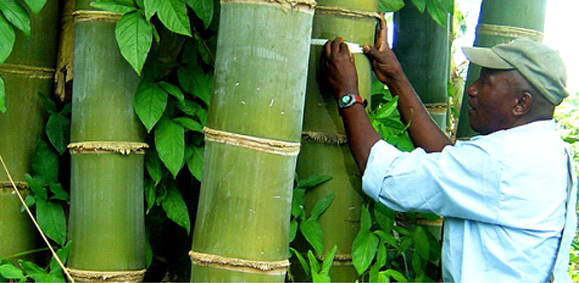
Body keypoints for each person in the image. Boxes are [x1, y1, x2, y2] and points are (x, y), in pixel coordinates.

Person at [321, 13, 577, 282]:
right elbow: (449, 159)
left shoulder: (503, 161)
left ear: (520, 104)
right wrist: (396, 78)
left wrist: (347, 94)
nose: (472, 90)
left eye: (486, 82)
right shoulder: (547, 151)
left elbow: (387, 176)